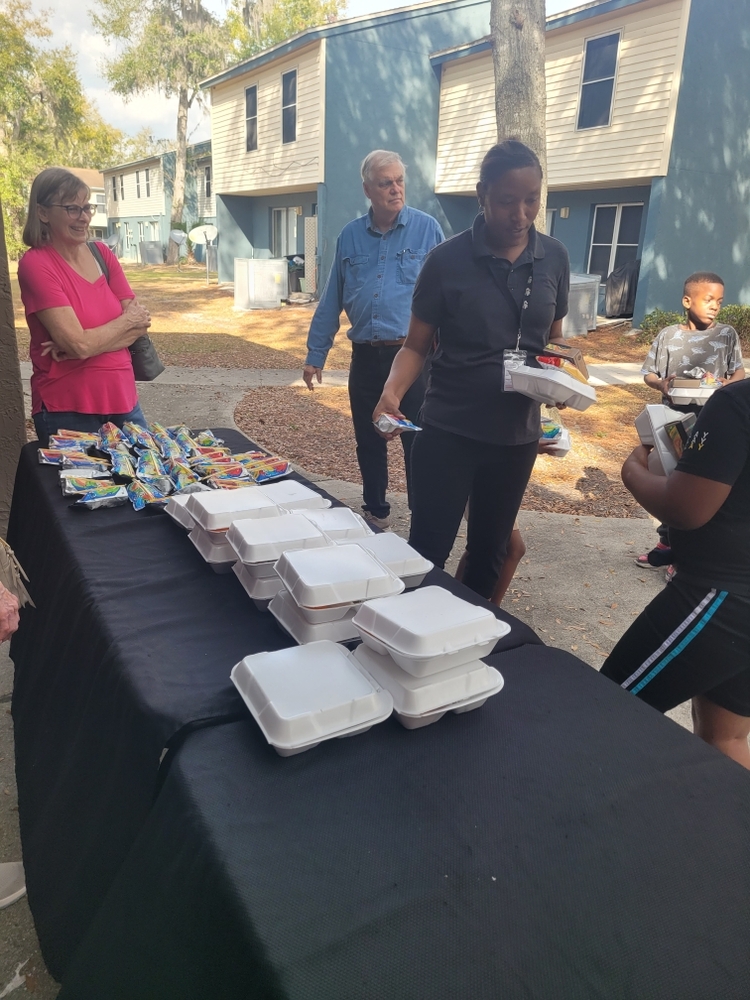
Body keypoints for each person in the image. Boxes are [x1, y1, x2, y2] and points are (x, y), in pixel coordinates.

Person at [373, 140, 570, 600]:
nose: (520, 213)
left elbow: (555, 340)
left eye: (531, 200)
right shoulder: (447, 260)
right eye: (506, 201)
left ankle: (464, 647)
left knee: (491, 552)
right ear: (482, 194)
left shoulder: (554, 258)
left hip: (516, 437)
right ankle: (406, 640)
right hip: (449, 431)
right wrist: (392, 392)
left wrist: (564, 375)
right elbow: (415, 346)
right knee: (427, 552)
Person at [601, 378, 750, 769]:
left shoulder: (737, 402)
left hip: (723, 595)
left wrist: (631, 469)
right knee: (726, 737)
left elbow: (685, 507)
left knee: (599, 706)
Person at [303, 150, 444, 529]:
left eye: (399, 181)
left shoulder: (427, 229)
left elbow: (449, 293)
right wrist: (315, 353)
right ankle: (376, 510)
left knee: (418, 440)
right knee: (369, 438)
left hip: (413, 356)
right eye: (386, 183)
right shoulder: (349, 236)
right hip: (366, 356)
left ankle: (423, 513)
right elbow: (332, 296)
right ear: (368, 189)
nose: (395, 189)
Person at [17, 167, 152, 446]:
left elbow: (138, 324)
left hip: (125, 401)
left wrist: (87, 343)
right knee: (82, 490)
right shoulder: (36, 265)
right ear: (43, 213)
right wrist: (88, 342)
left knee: (148, 485)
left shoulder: (102, 254)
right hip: (67, 408)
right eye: (72, 208)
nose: (84, 217)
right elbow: (81, 345)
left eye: (86, 207)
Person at [636, 272, 745, 572]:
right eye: (708, 300)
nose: (715, 307)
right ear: (687, 301)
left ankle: (690, 555)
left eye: (720, 301)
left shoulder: (727, 335)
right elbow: (649, 373)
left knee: (704, 489)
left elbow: (739, 373)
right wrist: (661, 384)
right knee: (674, 481)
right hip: (674, 420)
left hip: (714, 422)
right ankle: (667, 545)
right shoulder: (668, 336)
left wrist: (727, 386)